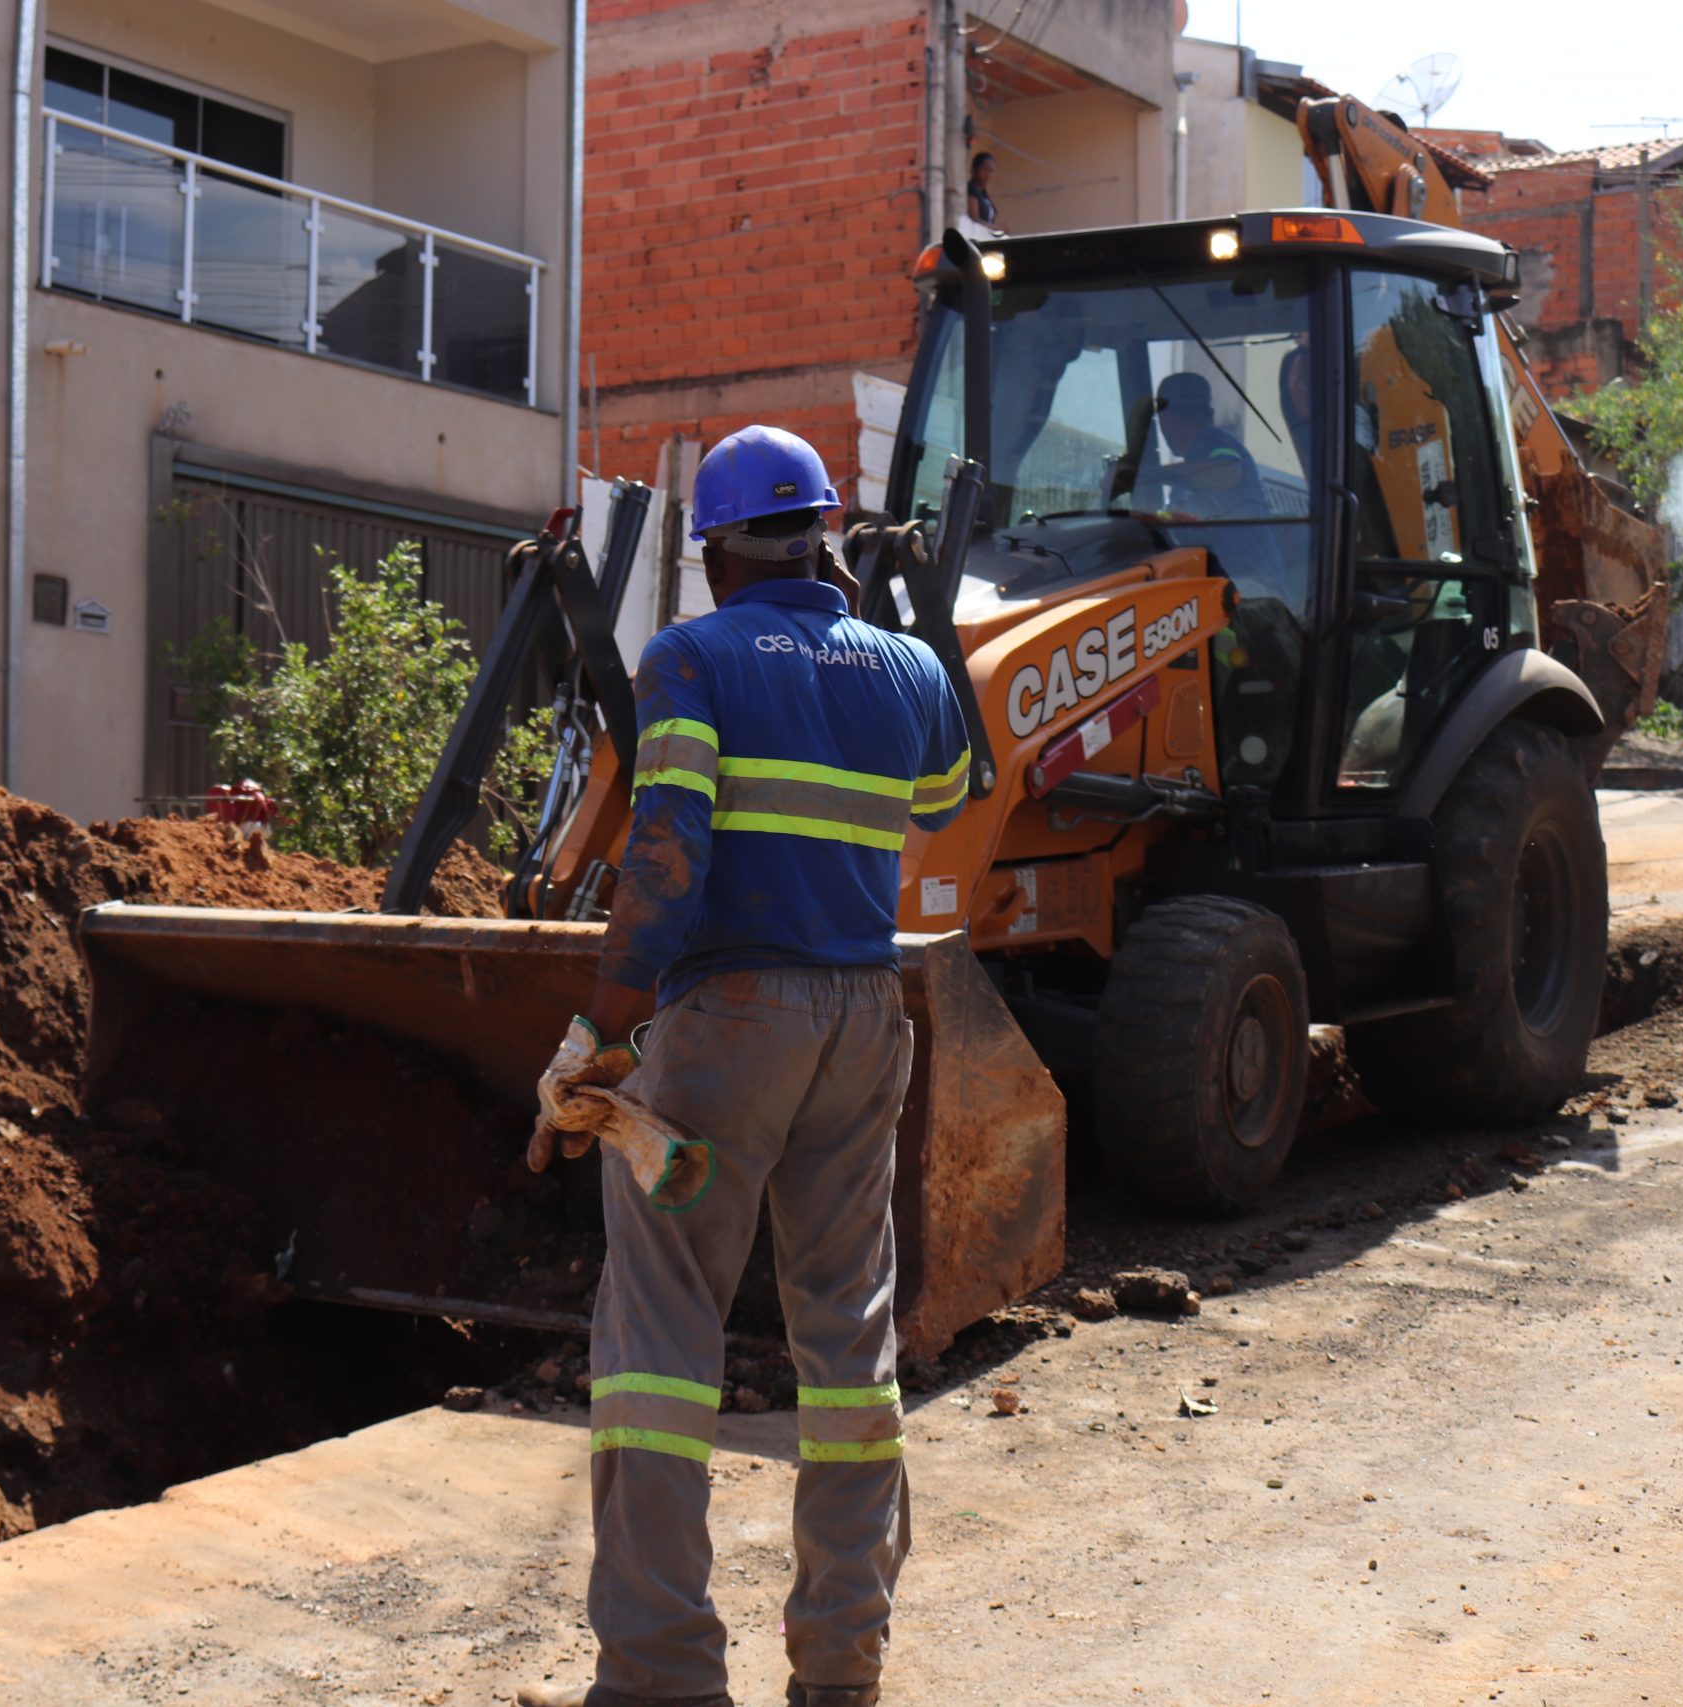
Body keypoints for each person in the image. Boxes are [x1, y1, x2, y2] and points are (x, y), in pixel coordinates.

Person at [519, 425, 974, 1707]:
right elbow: (948, 791)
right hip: (861, 1018)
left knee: (660, 1342)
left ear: (715, 548)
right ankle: (841, 1666)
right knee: (849, 1341)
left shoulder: (693, 655)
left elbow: (665, 850)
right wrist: (883, 644)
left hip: (722, 1028)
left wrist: (606, 1029)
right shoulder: (908, 668)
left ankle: (661, 1674)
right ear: (824, 534)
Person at [1148, 370, 1268, 520]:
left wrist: (1151, 475)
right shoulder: (1184, 480)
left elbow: (1228, 472)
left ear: (1166, 419)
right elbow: (1169, 522)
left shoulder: (1216, 440)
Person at [966, 151, 1004, 233]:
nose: (987, 174)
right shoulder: (971, 190)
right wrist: (996, 228)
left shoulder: (984, 194)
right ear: (973, 170)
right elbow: (974, 220)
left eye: (991, 171)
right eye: (984, 169)